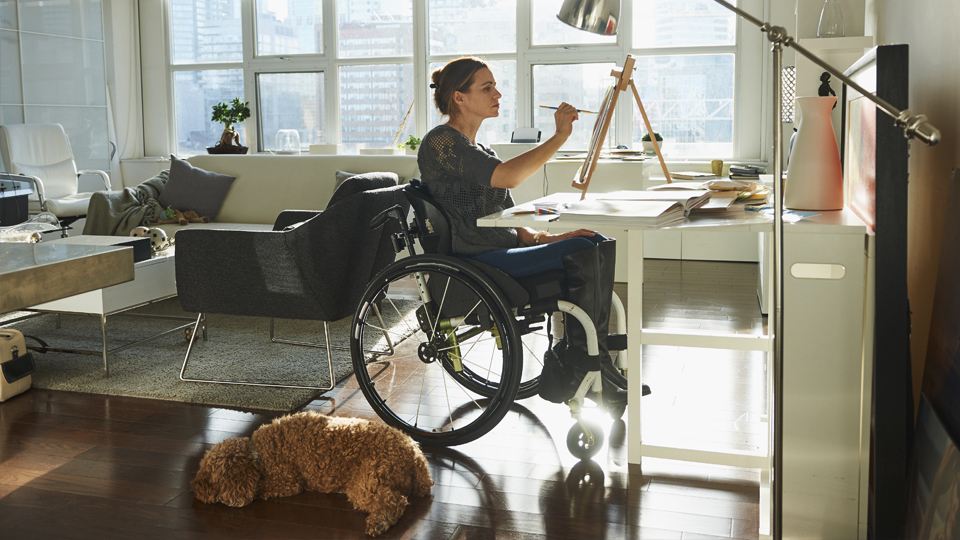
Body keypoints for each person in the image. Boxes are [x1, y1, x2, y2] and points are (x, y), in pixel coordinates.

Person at [418, 57, 645, 408]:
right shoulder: (441, 142)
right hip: (478, 261)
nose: (498, 94)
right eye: (487, 87)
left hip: (499, 251)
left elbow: (505, 219)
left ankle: (592, 362)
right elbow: (508, 177)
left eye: (495, 86)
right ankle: (583, 364)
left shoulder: (480, 150)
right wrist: (560, 136)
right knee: (587, 247)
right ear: (459, 98)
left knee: (590, 241)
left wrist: (550, 239)